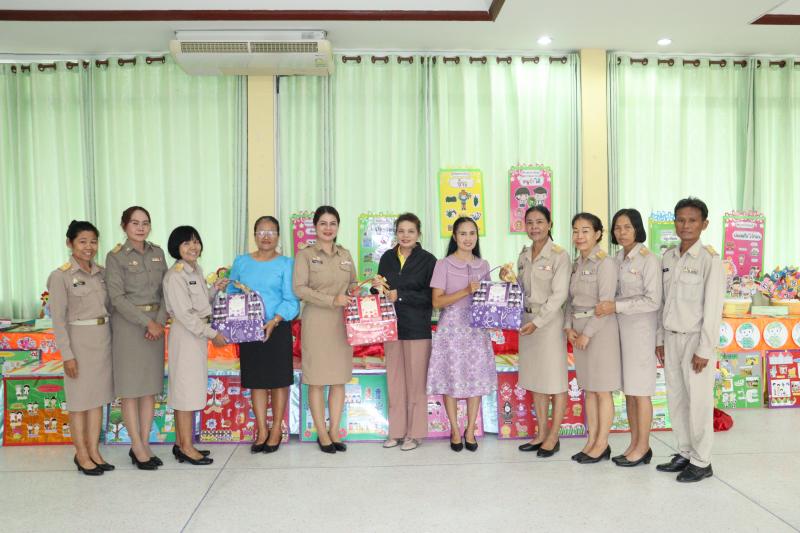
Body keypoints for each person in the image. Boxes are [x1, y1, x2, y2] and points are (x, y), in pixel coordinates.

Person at [655, 197, 724, 482]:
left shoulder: (710, 260)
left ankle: (702, 461)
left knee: (698, 403)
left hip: (696, 341)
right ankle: (685, 451)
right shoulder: (668, 257)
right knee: (677, 399)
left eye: (692, 220)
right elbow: (663, 303)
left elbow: (713, 309)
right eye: (681, 220)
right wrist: (660, 338)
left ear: (704, 224)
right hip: (671, 339)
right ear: (675, 222)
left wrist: (705, 349)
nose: (686, 225)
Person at [47, 220, 114, 476]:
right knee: (79, 402)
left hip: (102, 341)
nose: (89, 247)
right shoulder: (60, 276)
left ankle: (94, 451)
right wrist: (67, 355)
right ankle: (81, 454)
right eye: (82, 241)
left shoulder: (102, 273)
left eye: (93, 241)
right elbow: (58, 320)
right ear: (70, 243)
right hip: (79, 344)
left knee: (97, 400)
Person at [228, 216, 299, 454]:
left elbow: (291, 300)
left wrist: (275, 320)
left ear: (278, 236)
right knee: (256, 381)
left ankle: (276, 428)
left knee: (279, 381)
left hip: (277, 326)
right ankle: (261, 429)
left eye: (271, 232)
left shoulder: (286, 263)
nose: (266, 236)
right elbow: (232, 292)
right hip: (249, 329)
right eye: (261, 231)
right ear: (254, 235)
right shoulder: (241, 262)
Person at [596, 208, 661, 467]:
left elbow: (653, 300)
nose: (621, 232)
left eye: (627, 227)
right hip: (619, 331)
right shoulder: (616, 259)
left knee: (641, 392)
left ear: (637, 229)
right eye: (617, 228)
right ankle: (635, 444)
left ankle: (643, 447)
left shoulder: (648, 260)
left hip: (640, 332)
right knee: (630, 392)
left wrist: (617, 306)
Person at [105, 206, 168, 470]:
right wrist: (148, 323)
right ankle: (136, 445)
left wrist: (159, 322)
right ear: (124, 226)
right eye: (135, 223)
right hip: (130, 327)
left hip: (156, 326)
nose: (141, 228)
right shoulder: (115, 257)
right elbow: (117, 298)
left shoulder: (158, 253)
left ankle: (144, 443)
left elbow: (166, 291)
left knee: (149, 388)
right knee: (130, 389)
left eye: (145, 223)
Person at [427, 216, 495, 452]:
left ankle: (470, 430)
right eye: (463, 233)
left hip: (477, 329)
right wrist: (466, 290)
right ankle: (455, 430)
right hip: (452, 328)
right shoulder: (443, 264)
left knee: (476, 379)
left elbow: (488, 299)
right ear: (455, 237)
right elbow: (437, 302)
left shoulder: (483, 264)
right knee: (452, 378)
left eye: (472, 233)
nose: (468, 238)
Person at [293, 206, 357, 454]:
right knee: (317, 381)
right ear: (315, 227)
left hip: (342, 322)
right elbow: (300, 289)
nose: (328, 228)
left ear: (338, 227)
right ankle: (322, 433)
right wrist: (332, 300)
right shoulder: (305, 255)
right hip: (317, 321)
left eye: (333, 224)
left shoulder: (345, 254)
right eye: (323, 223)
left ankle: (334, 432)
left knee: (339, 379)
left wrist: (358, 290)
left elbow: (352, 283)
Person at [162, 226, 228, 465]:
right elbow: (185, 314)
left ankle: (182, 444)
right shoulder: (175, 275)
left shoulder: (195, 270)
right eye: (186, 243)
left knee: (189, 389)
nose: (193, 247)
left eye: (196, 242)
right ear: (176, 248)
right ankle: (187, 448)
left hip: (196, 335)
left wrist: (214, 290)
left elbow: (200, 304)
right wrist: (212, 334)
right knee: (185, 393)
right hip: (187, 335)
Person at [509, 206, 570, 458]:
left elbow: (559, 295)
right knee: (536, 380)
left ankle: (553, 436)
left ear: (550, 224)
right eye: (530, 222)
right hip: (527, 321)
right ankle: (541, 433)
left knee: (554, 381)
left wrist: (539, 321)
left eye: (540, 222)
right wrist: (510, 279)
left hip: (549, 323)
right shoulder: (524, 255)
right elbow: (522, 290)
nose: (534, 227)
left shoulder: (559, 255)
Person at [373, 213, 436, 452]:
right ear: (396, 233)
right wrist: (376, 288)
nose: (405, 235)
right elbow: (380, 288)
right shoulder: (387, 258)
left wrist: (400, 295)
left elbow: (431, 297)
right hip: (391, 327)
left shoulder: (428, 260)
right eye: (401, 231)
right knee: (395, 381)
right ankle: (396, 431)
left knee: (416, 383)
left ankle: (415, 433)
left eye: (410, 231)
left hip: (417, 328)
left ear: (418, 234)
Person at [564, 212, 621, 464]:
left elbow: (606, 303)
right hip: (578, 331)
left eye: (585, 230)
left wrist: (587, 333)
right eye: (576, 231)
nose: (579, 236)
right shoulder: (576, 264)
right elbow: (569, 301)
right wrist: (568, 327)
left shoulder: (605, 263)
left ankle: (602, 443)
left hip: (600, 331)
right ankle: (591, 442)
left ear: (598, 234)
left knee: (602, 390)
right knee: (589, 389)